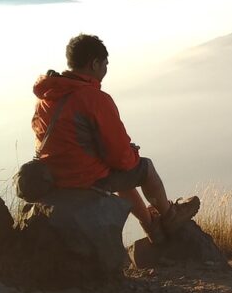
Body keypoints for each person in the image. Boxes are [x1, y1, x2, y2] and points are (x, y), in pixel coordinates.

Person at [32, 34, 200, 244]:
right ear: (94, 64)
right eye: (105, 64)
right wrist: (132, 152)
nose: (105, 69)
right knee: (145, 168)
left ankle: (151, 226)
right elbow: (121, 157)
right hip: (82, 178)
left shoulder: (47, 98)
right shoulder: (94, 99)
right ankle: (169, 217)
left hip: (55, 176)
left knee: (118, 174)